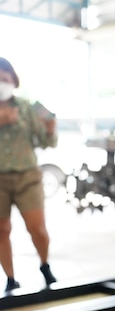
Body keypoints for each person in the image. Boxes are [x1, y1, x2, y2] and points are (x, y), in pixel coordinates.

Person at [0, 57, 58, 292]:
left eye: (5, 79)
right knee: (2, 229)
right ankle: (10, 278)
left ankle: (45, 265)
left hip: (27, 176)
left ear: (13, 80)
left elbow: (46, 142)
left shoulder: (27, 107)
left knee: (37, 228)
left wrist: (51, 130)